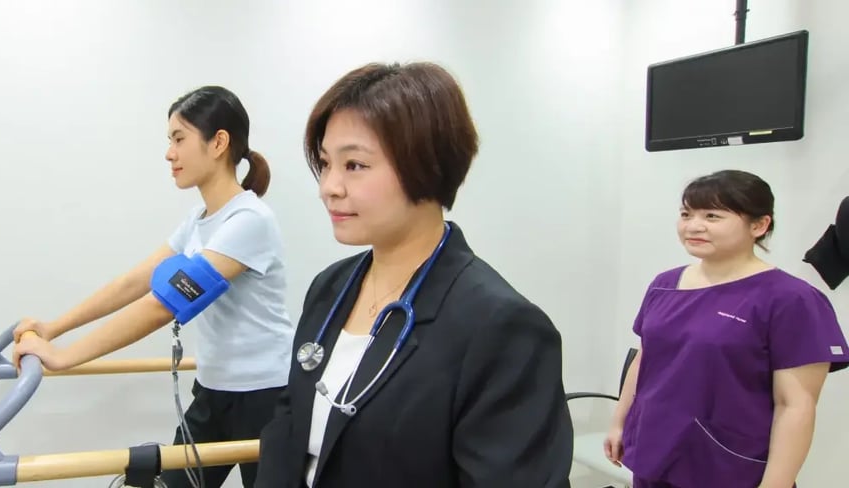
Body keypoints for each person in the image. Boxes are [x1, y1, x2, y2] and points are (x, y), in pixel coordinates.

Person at [254, 61, 574, 488]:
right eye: (327, 163)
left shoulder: (500, 327)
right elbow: (289, 424)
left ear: (426, 164)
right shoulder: (330, 287)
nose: (329, 186)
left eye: (355, 165)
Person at [11, 85, 293, 488]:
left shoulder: (248, 221)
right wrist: (54, 328)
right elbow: (133, 282)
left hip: (265, 396)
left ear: (218, 143)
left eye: (179, 139)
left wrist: (65, 357)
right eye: (169, 141)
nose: (169, 153)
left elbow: (163, 305)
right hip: (213, 392)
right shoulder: (199, 219)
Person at [604, 169, 849, 488]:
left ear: (759, 225)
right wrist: (620, 422)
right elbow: (645, 358)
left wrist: (776, 484)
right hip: (655, 454)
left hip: (729, 467)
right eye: (686, 213)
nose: (694, 225)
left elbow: (795, 406)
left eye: (713, 215)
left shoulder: (792, 299)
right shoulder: (665, 285)